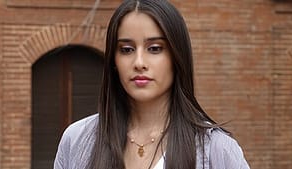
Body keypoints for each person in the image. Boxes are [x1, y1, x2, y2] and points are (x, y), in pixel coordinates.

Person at [54, 0, 251, 169]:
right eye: (127, 49)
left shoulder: (218, 151)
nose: (139, 62)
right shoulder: (77, 140)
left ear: (177, 56)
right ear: (114, 61)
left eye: (155, 48)